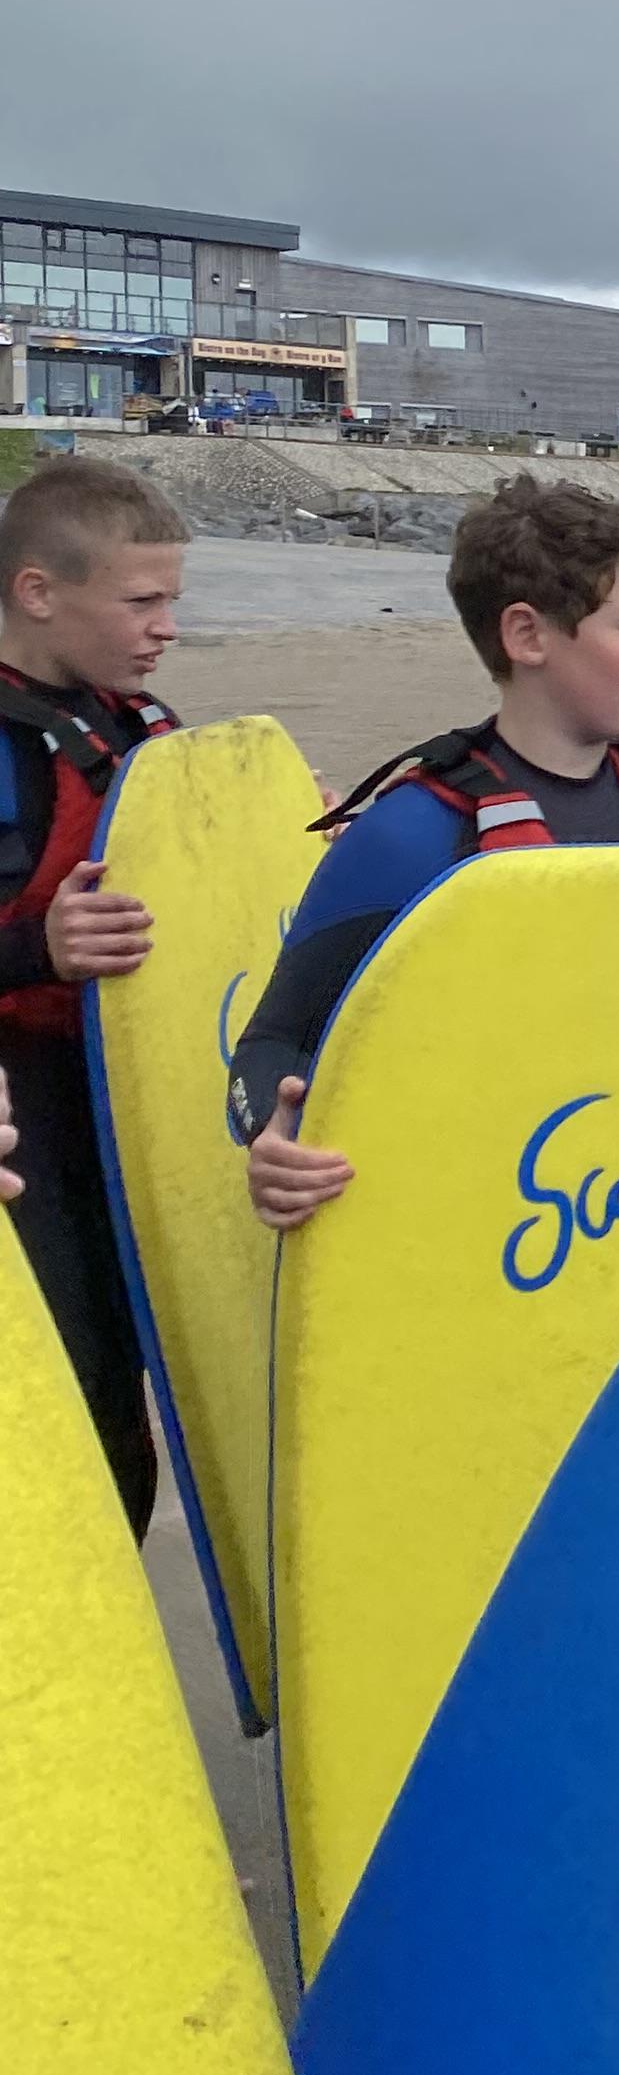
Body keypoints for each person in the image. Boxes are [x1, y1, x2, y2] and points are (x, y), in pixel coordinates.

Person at [234, 476, 619, 1228]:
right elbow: (272, 1043)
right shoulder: (410, 837)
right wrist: (271, 1139)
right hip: (475, 1225)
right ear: (527, 636)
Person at [0, 455, 187, 1525]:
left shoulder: (144, 728)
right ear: (38, 592)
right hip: (21, 1116)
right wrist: (38, 949)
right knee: (73, 1397)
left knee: (132, 1399)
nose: (166, 628)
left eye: (172, 601)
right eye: (141, 602)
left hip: (130, 1100)